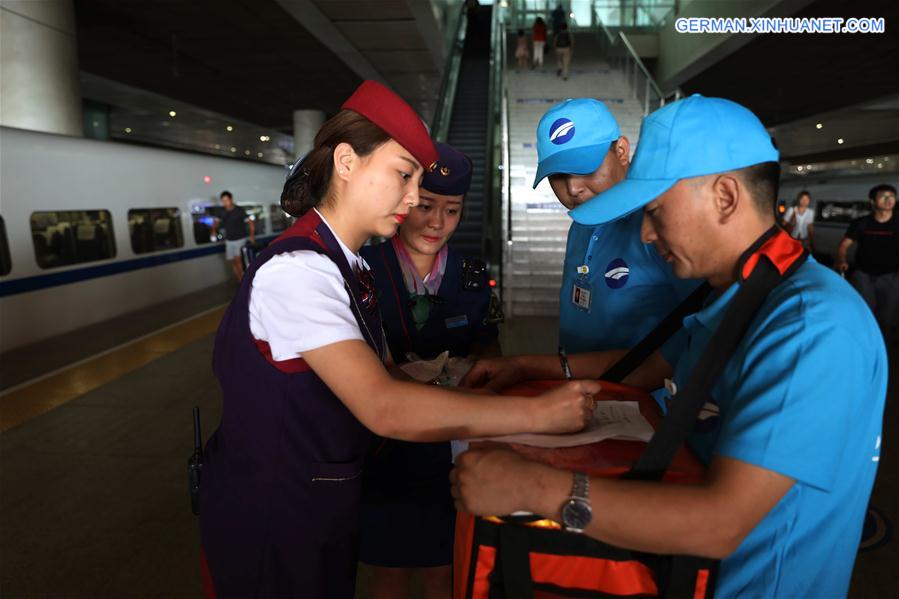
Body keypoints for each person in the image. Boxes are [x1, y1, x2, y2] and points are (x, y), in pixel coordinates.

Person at [454, 95, 886, 598]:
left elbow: (720, 523)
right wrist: (529, 371)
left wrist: (534, 489)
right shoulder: (730, 297)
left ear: (725, 197)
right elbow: (643, 368)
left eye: (656, 210)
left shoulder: (811, 327)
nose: (644, 232)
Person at [198, 80, 600, 598]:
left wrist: (474, 403)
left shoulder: (348, 265)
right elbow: (383, 405)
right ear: (346, 162)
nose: (413, 198)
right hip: (273, 517)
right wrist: (537, 415)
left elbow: (388, 375)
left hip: (316, 506)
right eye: (403, 175)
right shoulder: (297, 271)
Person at [475, 99, 698, 392]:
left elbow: (697, 337)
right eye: (558, 176)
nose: (572, 188)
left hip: (647, 412)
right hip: (583, 398)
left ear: (620, 151)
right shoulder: (581, 225)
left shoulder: (659, 224)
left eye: (586, 168)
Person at [358, 142, 498, 599]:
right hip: (382, 447)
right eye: (427, 206)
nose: (437, 223)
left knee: (446, 566)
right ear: (405, 201)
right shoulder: (363, 270)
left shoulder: (474, 274)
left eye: (452, 210)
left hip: (450, 449)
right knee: (389, 571)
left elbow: (490, 353)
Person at [836, 183, 899, 336]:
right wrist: (841, 260)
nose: (889, 199)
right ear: (872, 201)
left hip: (891, 276)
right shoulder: (861, 223)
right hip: (863, 275)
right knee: (865, 313)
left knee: (887, 319)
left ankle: (885, 349)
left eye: (892, 196)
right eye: (883, 196)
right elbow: (844, 246)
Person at [211, 190, 255, 282]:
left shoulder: (239, 210)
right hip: (229, 241)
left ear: (231, 199)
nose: (225, 202)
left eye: (226, 200)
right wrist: (213, 231)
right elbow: (216, 222)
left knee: (238, 261)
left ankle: (244, 282)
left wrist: (252, 236)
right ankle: (240, 281)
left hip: (240, 239)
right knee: (233, 263)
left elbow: (251, 223)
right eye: (223, 201)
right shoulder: (221, 211)